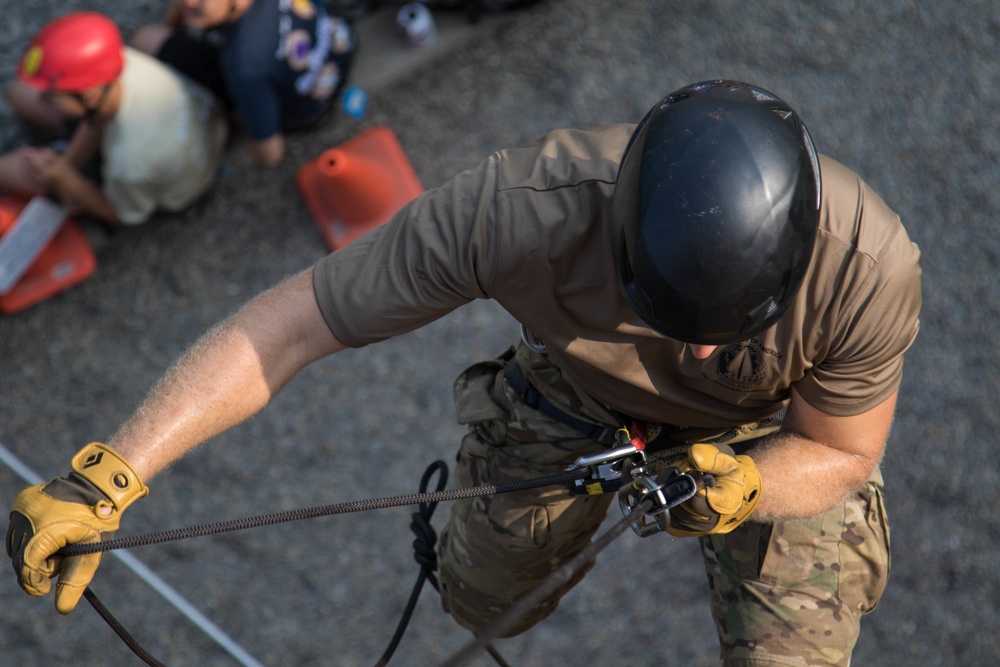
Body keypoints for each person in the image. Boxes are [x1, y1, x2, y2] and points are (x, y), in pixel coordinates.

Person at [6, 80, 921, 665]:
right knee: (485, 604)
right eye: (675, 323)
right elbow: (288, 327)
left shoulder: (868, 268)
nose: (703, 357)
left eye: (731, 331)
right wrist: (108, 474)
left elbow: (839, 449)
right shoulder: (517, 212)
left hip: (770, 438)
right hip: (579, 394)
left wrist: (751, 483)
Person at [0, 11, 229, 229]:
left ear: (89, 96)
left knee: (14, 168)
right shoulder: (121, 63)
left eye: (52, 96)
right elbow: (98, 116)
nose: (45, 99)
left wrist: (64, 180)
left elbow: (118, 215)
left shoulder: (128, 163)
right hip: (199, 134)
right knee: (18, 93)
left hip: (169, 188)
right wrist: (68, 163)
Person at [130, 0, 357, 167]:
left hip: (306, 110)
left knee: (146, 39)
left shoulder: (244, 65)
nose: (189, 2)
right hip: (343, 41)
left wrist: (248, 129)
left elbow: (271, 154)